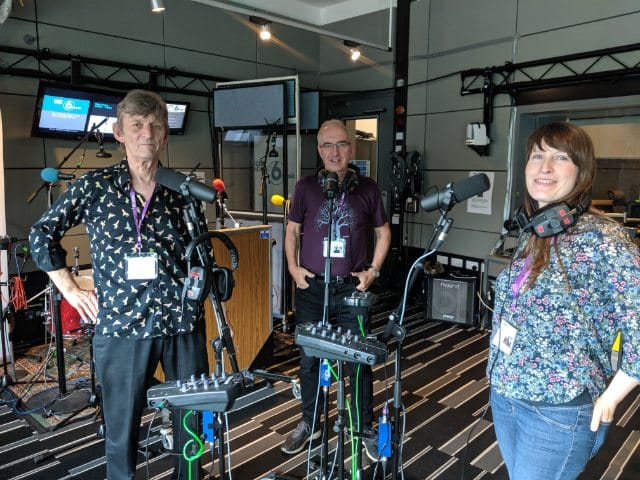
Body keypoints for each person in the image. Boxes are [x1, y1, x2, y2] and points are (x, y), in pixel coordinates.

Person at [29, 89, 210, 480]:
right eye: (137, 125)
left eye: (155, 125)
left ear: (164, 136)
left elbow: (201, 254)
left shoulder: (182, 191)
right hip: (122, 327)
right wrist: (71, 289)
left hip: (182, 326)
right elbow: (41, 234)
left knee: (191, 424)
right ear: (119, 133)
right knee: (121, 432)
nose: (147, 132)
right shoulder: (95, 186)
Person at [487, 121, 640, 479]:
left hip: (558, 409)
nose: (544, 167)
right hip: (507, 393)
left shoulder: (605, 239)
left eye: (560, 158)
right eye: (537, 156)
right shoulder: (537, 229)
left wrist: (613, 395)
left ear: (582, 172)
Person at [282, 119, 391, 460]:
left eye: (341, 144)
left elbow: (383, 233)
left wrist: (373, 271)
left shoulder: (369, 188)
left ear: (351, 148)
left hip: (351, 291)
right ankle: (310, 421)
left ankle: (362, 426)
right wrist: (293, 269)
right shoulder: (305, 187)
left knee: (358, 360)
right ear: (318, 151)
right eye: (327, 145)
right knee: (310, 360)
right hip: (313, 287)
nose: (334, 152)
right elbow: (291, 231)